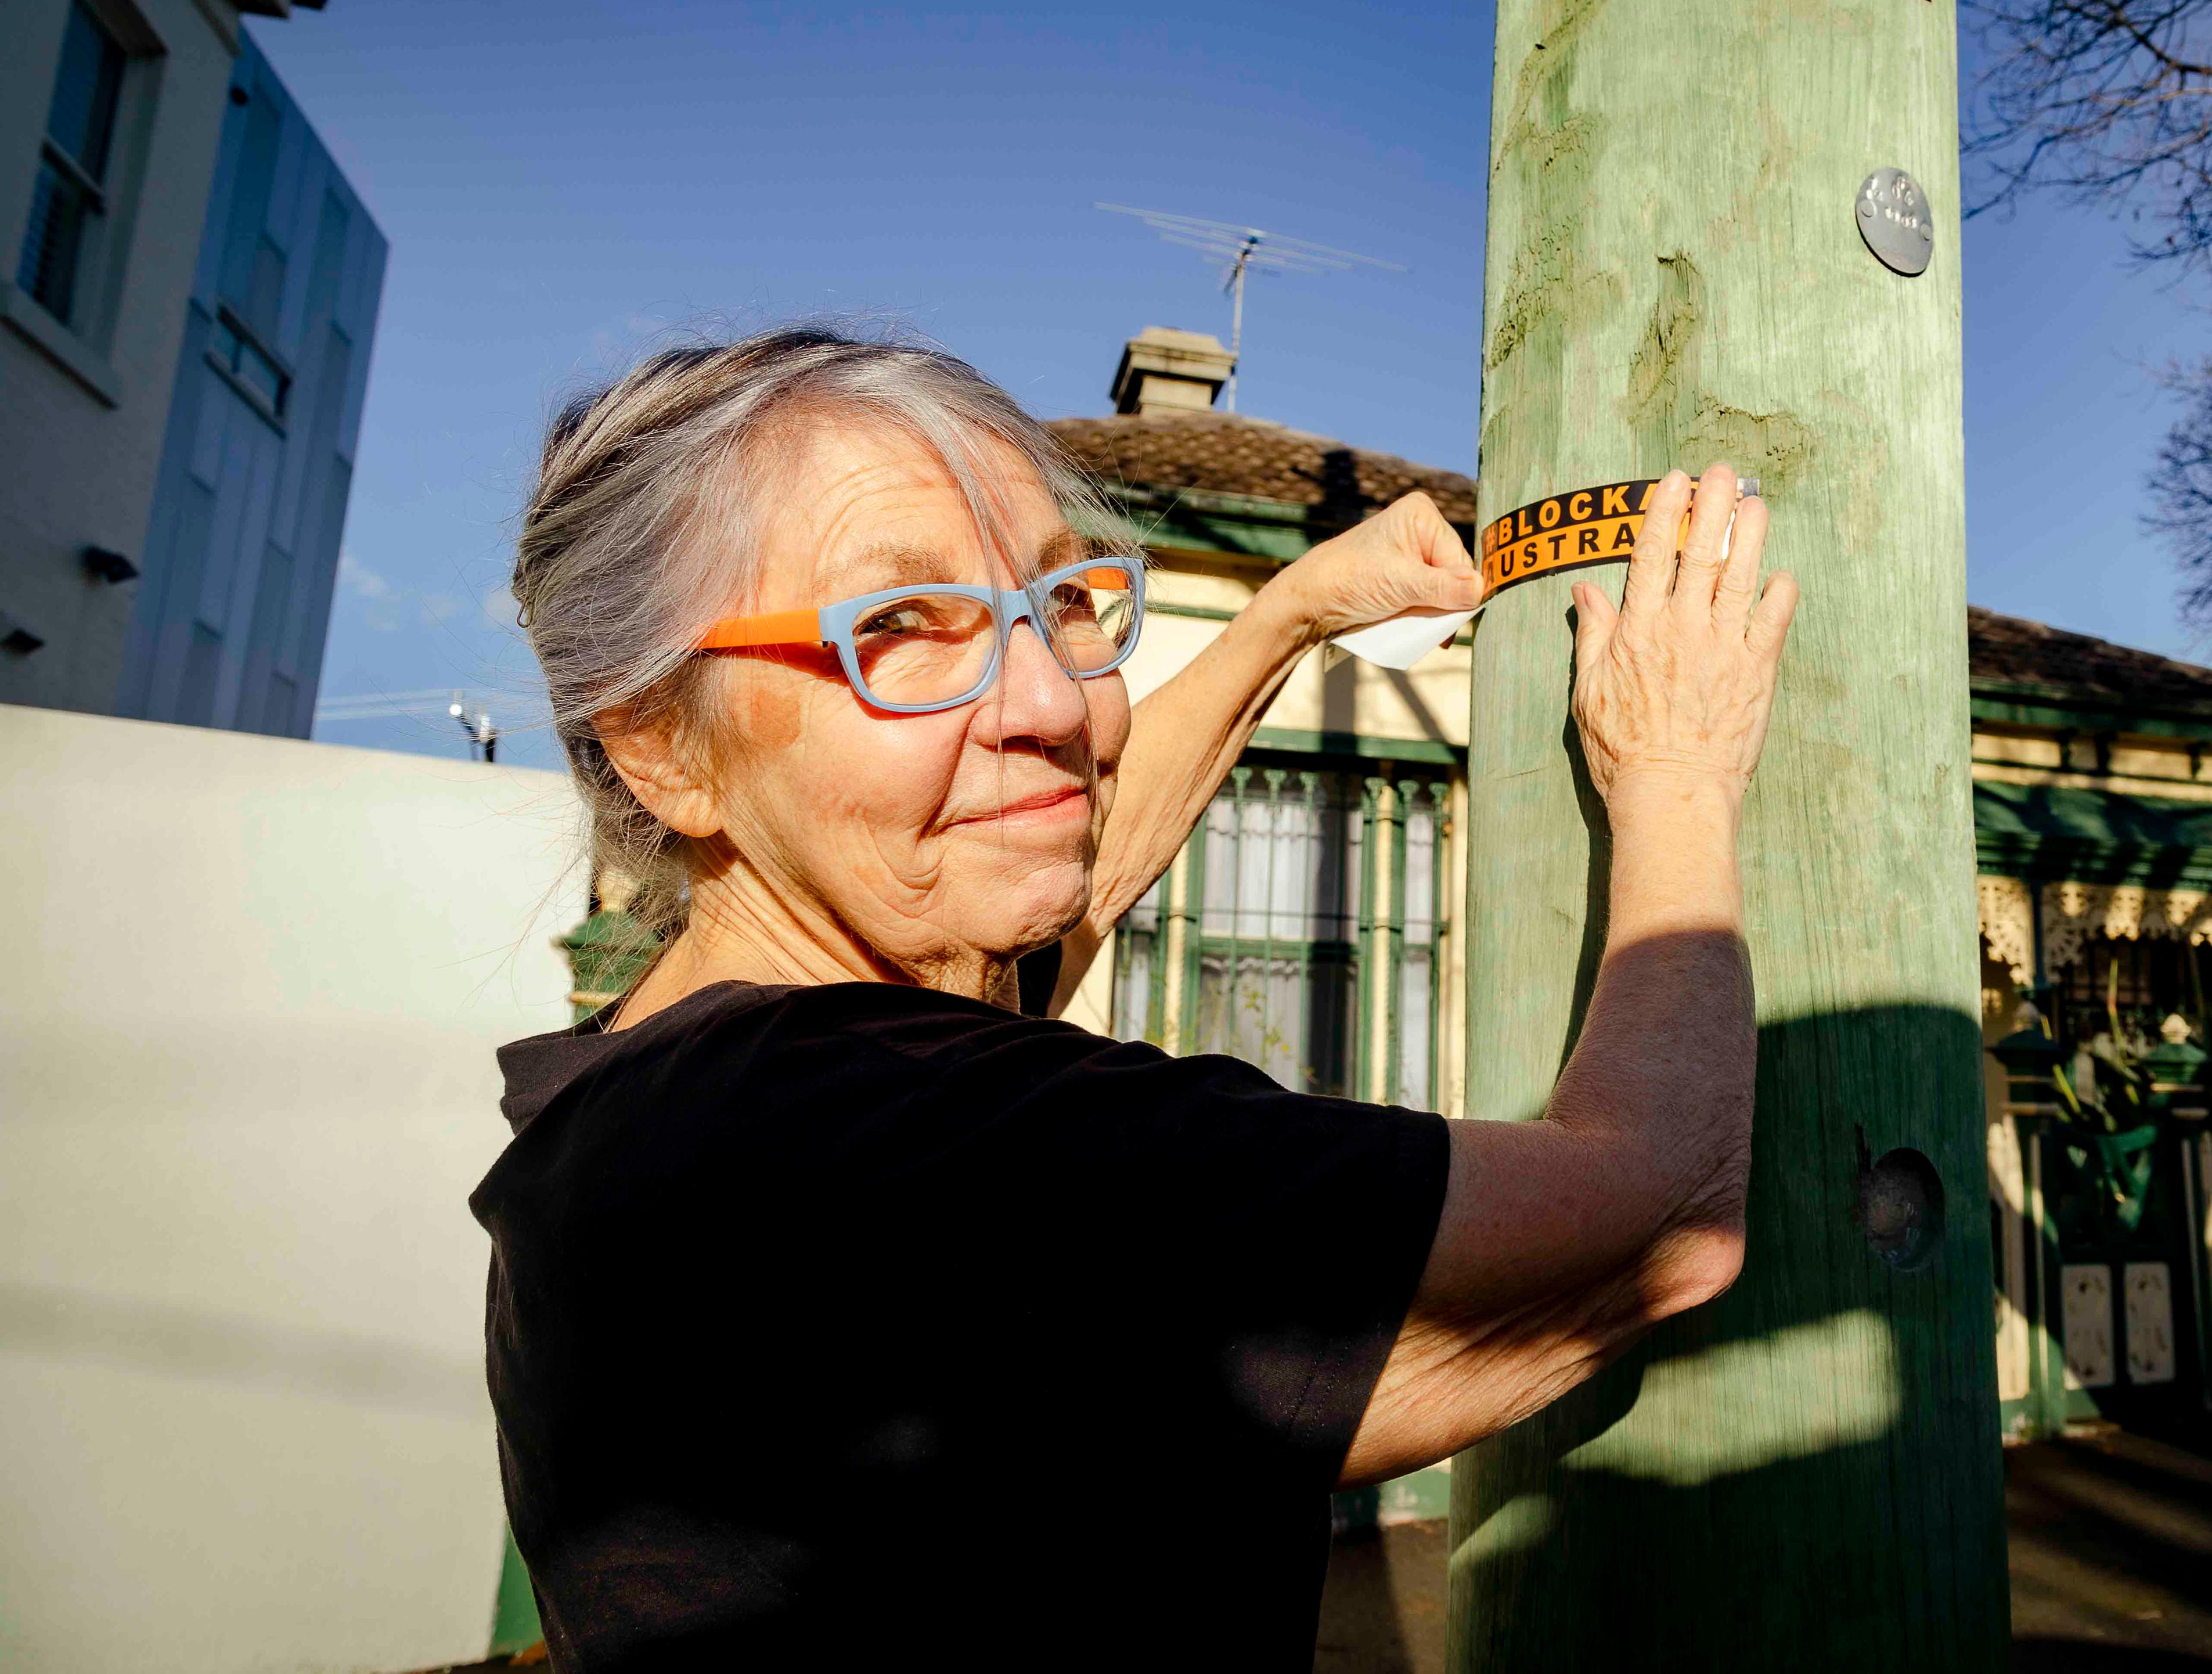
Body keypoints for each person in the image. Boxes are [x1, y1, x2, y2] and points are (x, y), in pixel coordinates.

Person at [472, 329, 1796, 1669]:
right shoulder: (904, 1134)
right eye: (896, 629)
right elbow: (1662, 1206)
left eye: (1060, 602)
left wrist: (1289, 612)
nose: (1057, 703)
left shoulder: (626, 1108)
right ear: (659, 742)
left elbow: (1076, 857)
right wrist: (1677, 772)